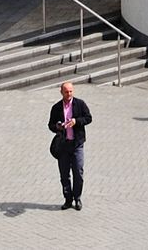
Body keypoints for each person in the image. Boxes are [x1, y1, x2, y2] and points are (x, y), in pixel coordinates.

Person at [47, 79, 92, 210]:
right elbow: (50, 125)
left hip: (77, 144)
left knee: (78, 171)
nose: (69, 94)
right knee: (64, 174)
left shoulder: (80, 104)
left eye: (71, 91)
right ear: (61, 92)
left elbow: (88, 118)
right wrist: (58, 126)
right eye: (66, 92)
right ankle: (68, 199)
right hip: (63, 145)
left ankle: (77, 198)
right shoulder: (56, 108)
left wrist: (76, 121)